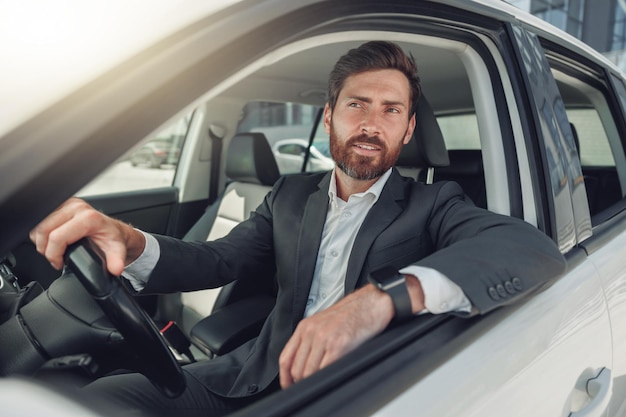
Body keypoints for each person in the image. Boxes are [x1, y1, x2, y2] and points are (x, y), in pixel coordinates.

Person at [30, 41, 566, 416]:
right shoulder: (289, 196)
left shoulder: (434, 203)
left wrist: (377, 301)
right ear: (330, 116)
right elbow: (218, 261)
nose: (371, 124)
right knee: (95, 399)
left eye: (391, 111)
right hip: (250, 375)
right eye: (358, 105)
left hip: (358, 389)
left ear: (407, 131)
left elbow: (530, 248)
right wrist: (131, 241)